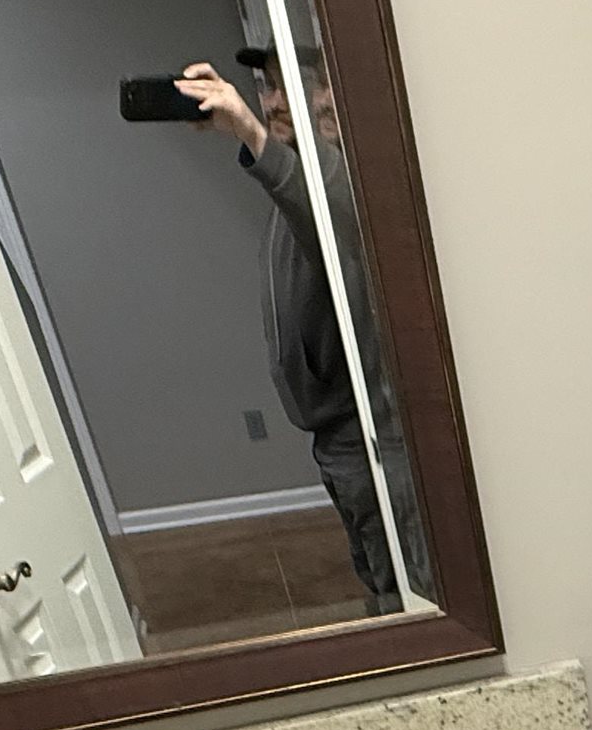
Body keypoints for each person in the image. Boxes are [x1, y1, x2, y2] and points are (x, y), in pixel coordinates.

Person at [175, 51, 415, 612]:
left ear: (334, 93)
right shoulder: (300, 169)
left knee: (403, 589)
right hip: (334, 431)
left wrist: (253, 134)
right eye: (265, 86)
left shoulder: (350, 177)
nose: (272, 100)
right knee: (375, 574)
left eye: (288, 86)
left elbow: (334, 217)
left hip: (372, 431)